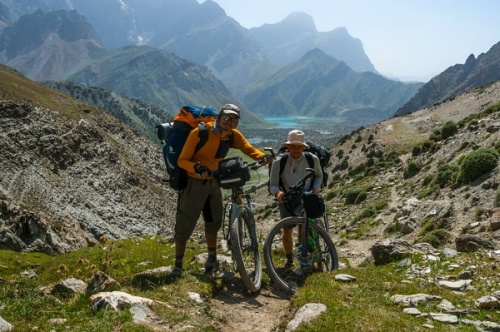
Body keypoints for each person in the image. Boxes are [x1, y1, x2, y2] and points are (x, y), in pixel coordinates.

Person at [170, 103, 271, 277]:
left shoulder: (232, 136)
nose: (229, 122)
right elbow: (182, 160)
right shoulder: (200, 133)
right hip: (194, 183)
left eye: (234, 120)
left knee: (213, 222)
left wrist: (262, 157)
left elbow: (248, 148)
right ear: (219, 117)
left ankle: (212, 260)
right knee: (185, 223)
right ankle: (178, 265)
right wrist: (196, 167)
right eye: (226, 117)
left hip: (215, 182)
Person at [268, 129, 323, 268]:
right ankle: (289, 259)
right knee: (287, 230)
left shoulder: (312, 159)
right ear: (287, 147)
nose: (296, 149)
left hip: (306, 197)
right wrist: (277, 193)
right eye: (293, 146)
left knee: (306, 228)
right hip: (287, 199)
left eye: (299, 146)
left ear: (304, 147)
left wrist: (315, 189)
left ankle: (307, 257)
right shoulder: (279, 162)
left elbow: (319, 175)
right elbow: (273, 184)